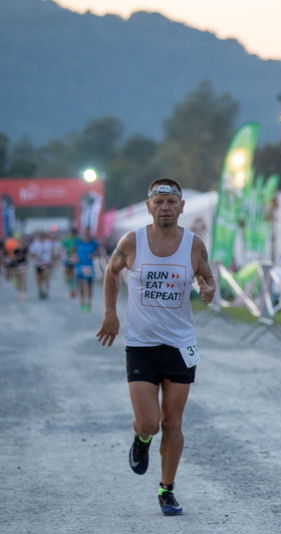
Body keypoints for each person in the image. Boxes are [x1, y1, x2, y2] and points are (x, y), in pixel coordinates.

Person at [96, 179, 216, 516]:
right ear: (149, 206)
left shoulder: (194, 245)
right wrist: (110, 314)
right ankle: (142, 438)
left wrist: (208, 290)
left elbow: (207, 278)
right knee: (148, 422)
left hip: (180, 346)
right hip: (141, 345)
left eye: (171, 202)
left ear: (181, 207)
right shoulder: (132, 242)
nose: (165, 207)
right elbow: (111, 272)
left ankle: (166, 490)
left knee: (172, 423)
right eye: (159, 202)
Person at [75, 229, 103, 312]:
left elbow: (99, 253)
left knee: (89, 285)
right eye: (85, 233)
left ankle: (89, 302)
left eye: (88, 233)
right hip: (80, 265)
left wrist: (93, 255)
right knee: (81, 284)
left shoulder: (93, 243)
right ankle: (82, 302)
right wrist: (75, 257)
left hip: (90, 266)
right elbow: (73, 251)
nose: (86, 235)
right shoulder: (79, 242)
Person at [28, 232, 54, 299]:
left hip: (46, 263)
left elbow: (51, 253)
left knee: (46, 277)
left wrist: (51, 262)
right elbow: (31, 253)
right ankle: (40, 290)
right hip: (38, 264)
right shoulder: (35, 244)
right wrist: (36, 257)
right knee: (39, 279)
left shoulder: (48, 243)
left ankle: (46, 291)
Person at [62, 228, 79, 299]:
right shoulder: (67, 240)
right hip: (68, 259)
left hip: (75, 259)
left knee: (73, 274)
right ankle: (71, 288)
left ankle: (74, 289)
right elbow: (63, 249)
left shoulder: (78, 240)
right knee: (67, 273)